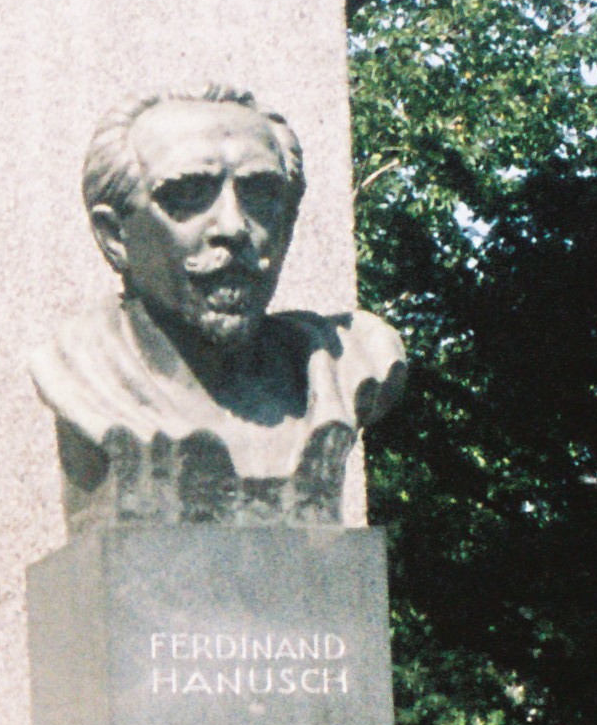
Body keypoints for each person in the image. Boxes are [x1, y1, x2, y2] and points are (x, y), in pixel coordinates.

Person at [29, 85, 406, 526]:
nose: (233, 226)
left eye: (260, 193)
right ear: (115, 237)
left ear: (287, 226)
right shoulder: (79, 381)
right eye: (189, 194)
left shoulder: (348, 366)